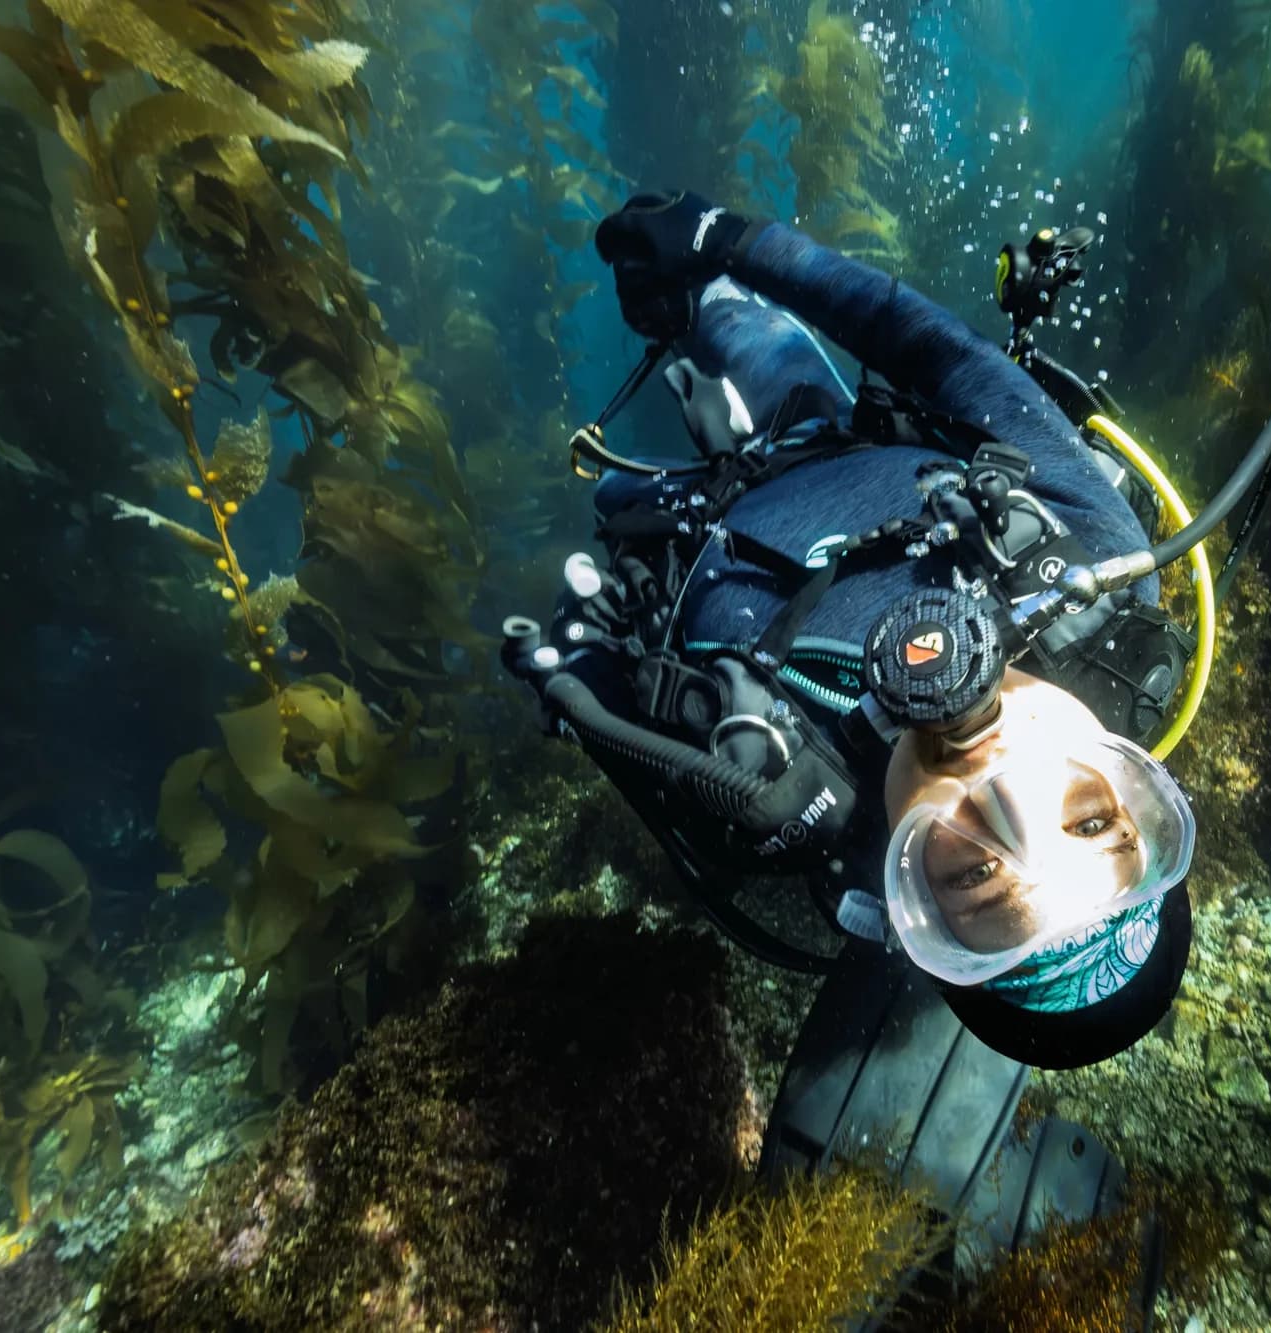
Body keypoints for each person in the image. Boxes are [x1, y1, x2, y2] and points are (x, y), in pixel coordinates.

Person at [507, 189, 1217, 1070]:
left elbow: (600, 686)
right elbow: (926, 345)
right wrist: (721, 238)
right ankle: (708, 311)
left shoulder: (778, 804)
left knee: (550, 498)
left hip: (676, 530)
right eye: (1086, 818)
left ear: (906, 899)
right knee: (729, 312)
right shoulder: (1096, 557)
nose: (998, 781)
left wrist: (579, 667)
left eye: (972, 873)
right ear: (1132, 772)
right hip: (814, 425)